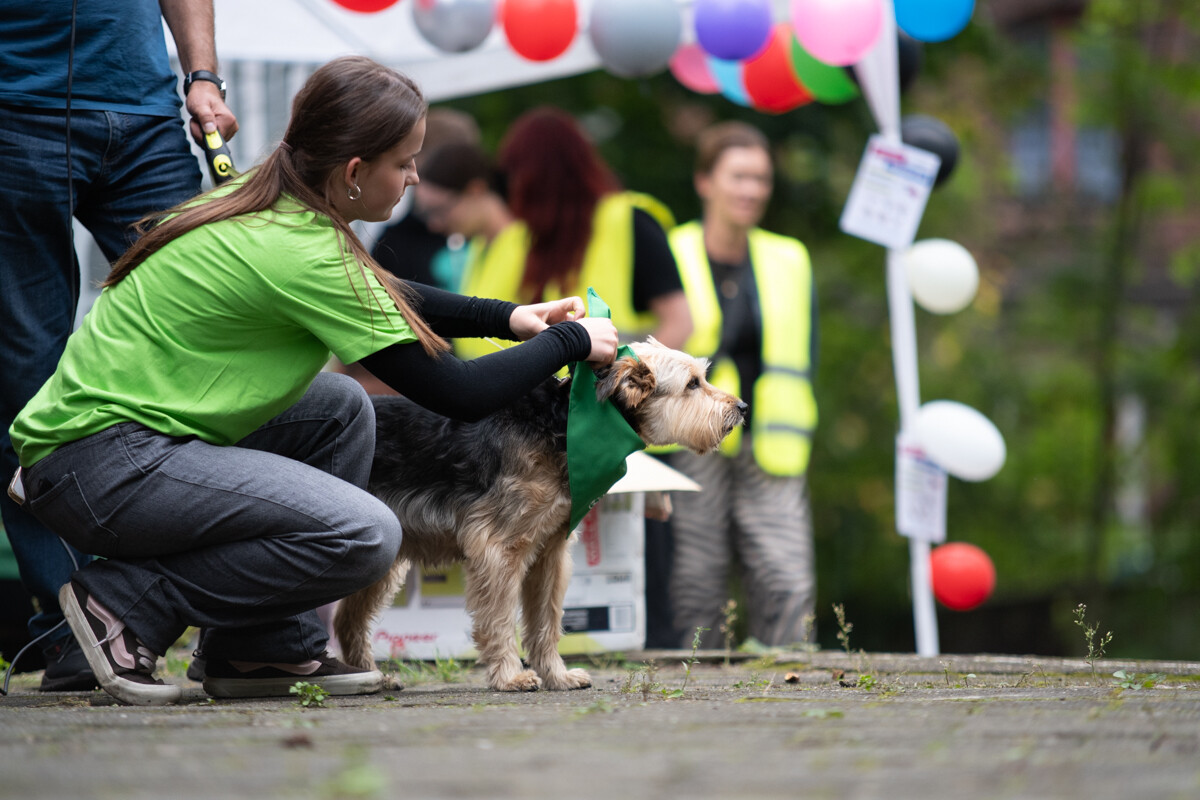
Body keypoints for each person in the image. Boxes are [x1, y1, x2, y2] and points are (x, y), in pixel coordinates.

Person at [6, 55, 618, 706]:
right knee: (365, 534)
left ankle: (255, 647)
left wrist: (510, 318)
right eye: (405, 162)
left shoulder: (273, 205)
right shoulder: (305, 253)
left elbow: (386, 290)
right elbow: (457, 394)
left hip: (100, 446)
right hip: (102, 463)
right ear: (354, 173)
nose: (415, 176)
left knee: (339, 407)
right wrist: (570, 341)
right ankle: (124, 603)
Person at [0, 0, 238, 692]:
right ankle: (77, 626)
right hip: (15, 110)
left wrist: (203, 75)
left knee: (213, 344)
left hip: (146, 114)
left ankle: (249, 622)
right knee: (27, 381)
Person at [666, 121, 819, 650]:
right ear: (705, 181)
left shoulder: (790, 257)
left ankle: (794, 671)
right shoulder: (671, 249)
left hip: (773, 436)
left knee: (787, 574)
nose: (752, 190)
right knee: (697, 572)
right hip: (694, 437)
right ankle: (695, 681)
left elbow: (808, 349)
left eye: (761, 178)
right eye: (739, 177)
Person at [457, 106, 692, 359]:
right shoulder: (527, 237)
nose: (513, 190)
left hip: (620, 395)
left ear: (541, 178)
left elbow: (679, 323)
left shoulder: (628, 220)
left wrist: (625, 384)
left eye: (517, 177)